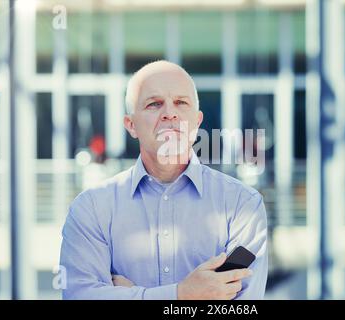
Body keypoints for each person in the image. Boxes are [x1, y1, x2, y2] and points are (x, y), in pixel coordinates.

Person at [59, 60, 268, 300]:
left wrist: (131, 294)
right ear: (131, 125)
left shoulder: (242, 206)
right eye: (154, 104)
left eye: (181, 102)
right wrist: (182, 295)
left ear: (197, 122)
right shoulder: (91, 209)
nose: (170, 113)